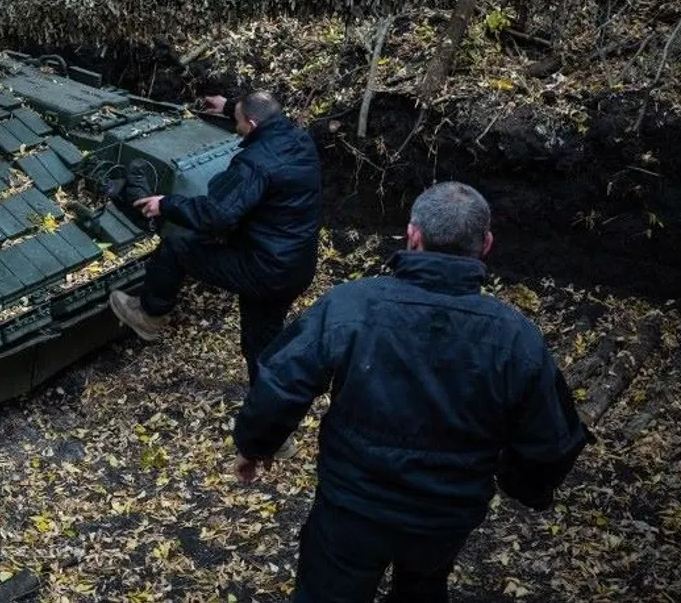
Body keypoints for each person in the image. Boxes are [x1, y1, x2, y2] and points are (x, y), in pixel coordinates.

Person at [231, 181, 590, 602]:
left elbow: (282, 380)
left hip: (353, 506)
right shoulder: (516, 337)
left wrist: (254, 444)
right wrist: (521, 485)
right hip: (446, 514)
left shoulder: (351, 305)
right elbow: (552, 438)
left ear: (413, 235)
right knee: (423, 586)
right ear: (486, 243)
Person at [108, 90, 322, 389]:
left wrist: (166, 204)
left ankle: (149, 315)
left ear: (252, 123)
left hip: (263, 268)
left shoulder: (254, 163)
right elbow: (258, 116)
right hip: (296, 263)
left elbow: (216, 215)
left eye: (238, 122)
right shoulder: (299, 140)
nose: (236, 128)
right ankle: (273, 406)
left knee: (178, 244)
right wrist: (229, 107)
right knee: (261, 340)